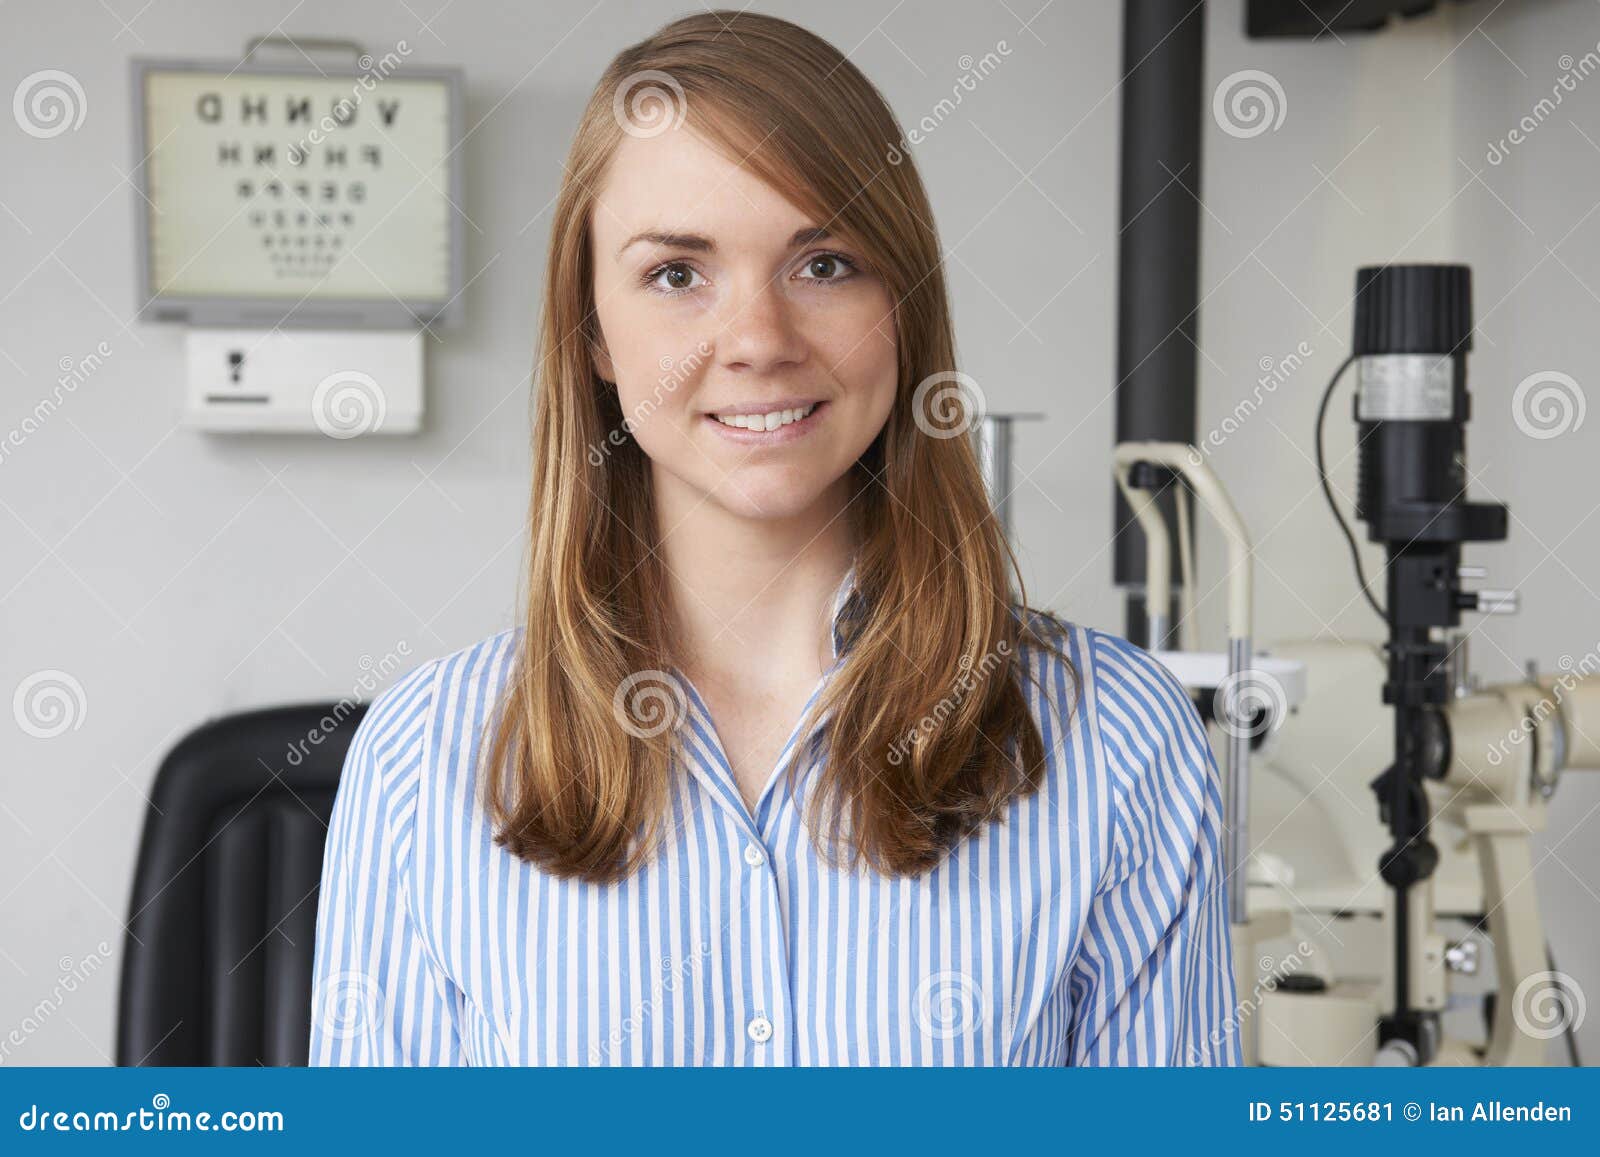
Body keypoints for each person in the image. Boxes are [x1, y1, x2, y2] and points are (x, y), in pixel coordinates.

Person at [309, 9, 1240, 1067]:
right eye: (675, 273)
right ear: (593, 332)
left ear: (904, 301)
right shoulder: (420, 761)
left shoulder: (1115, 742)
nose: (757, 339)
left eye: (825, 262)